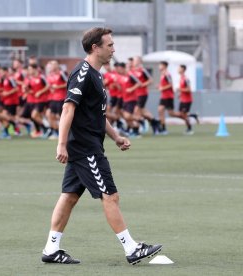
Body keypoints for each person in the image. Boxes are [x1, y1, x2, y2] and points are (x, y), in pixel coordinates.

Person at [41, 27, 162, 265]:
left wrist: (116, 137)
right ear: (95, 47)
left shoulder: (97, 74)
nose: (113, 49)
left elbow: (97, 114)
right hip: (85, 148)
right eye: (109, 45)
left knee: (69, 196)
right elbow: (68, 108)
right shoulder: (83, 73)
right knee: (110, 195)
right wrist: (61, 144)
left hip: (88, 145)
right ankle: (131, 248)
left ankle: (51, 249)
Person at [157, 61, 191, 135]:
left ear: (164, 66)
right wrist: (160, 87)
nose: (159, 67)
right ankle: (163, 128)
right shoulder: (162, 75)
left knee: (169, 113)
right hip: (164, 96)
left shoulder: (167, 74)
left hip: (168, 96)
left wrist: (162, 88)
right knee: (162, 111)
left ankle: (187, 119)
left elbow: (170, 84)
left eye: (160, 65)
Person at [132, 56, 160, 134]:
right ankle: (155, 122)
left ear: (139, 62)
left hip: (142, 94)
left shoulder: (142, 70)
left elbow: (151, 80)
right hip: (135, 94)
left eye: (135, 60)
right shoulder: (132, 71)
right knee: (143, 112)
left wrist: (142, 84)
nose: (133, 62)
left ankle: (136, 130)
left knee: (136, 111)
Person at [118, 62, 142, 137]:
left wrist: (131, 89)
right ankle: (135, 130)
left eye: (119, 69)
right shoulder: (121, 77)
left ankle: (140, 120)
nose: (118, 70)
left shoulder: (130, 75)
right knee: (125, 116)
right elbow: (122, 88)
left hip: (132, 99)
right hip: (125, 99)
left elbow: (139, 83)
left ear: (123, 68)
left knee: (128, 116)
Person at [27, 63, 50, 138]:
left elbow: (48, 85)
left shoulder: (41, 77)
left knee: (34, 115)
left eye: (30, 69)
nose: (29, 71)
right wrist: (26, 89)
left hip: (42, 100)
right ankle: (45, 129)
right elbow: (31, 90)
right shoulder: (31, 78)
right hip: (34, 100)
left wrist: (40, 92)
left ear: (35, 69)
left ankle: (47, 128)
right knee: (37, 116)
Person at [46, 60, 67, 140]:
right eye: (51, 64)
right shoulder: (50, 75)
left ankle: (65, 132)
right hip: (53, 99)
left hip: (61, 98)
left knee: (60, 116)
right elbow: (49, 85)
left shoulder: (62, 73)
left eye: (53, 64)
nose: (51, 66)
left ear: (57, 65)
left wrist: (57, 87)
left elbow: (68, 83)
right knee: (50, 115)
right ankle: (55, 132)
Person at [177, 64, 199, 134]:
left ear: (183, 69)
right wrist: (180, 94)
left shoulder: (186, 79)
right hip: (182, 99)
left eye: (179, 68)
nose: (178, 69)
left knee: (184, 114)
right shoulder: (181, 78)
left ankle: (189, 129)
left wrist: (180, 89)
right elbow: (183, 89)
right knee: (181, 114)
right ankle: (193, 116)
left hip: (187, 100)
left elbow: (189, 89)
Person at [0, 67, 20, 138]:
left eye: (2, 72)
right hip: (6, 101)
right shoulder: (4, 80)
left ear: (6, 72)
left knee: (6, 116)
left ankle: (11, 129)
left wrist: (7, 93)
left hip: (12, 101)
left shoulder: (10, 79)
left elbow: (16, 88)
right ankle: (10, 129)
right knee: (4, 116)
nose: (0, 74)